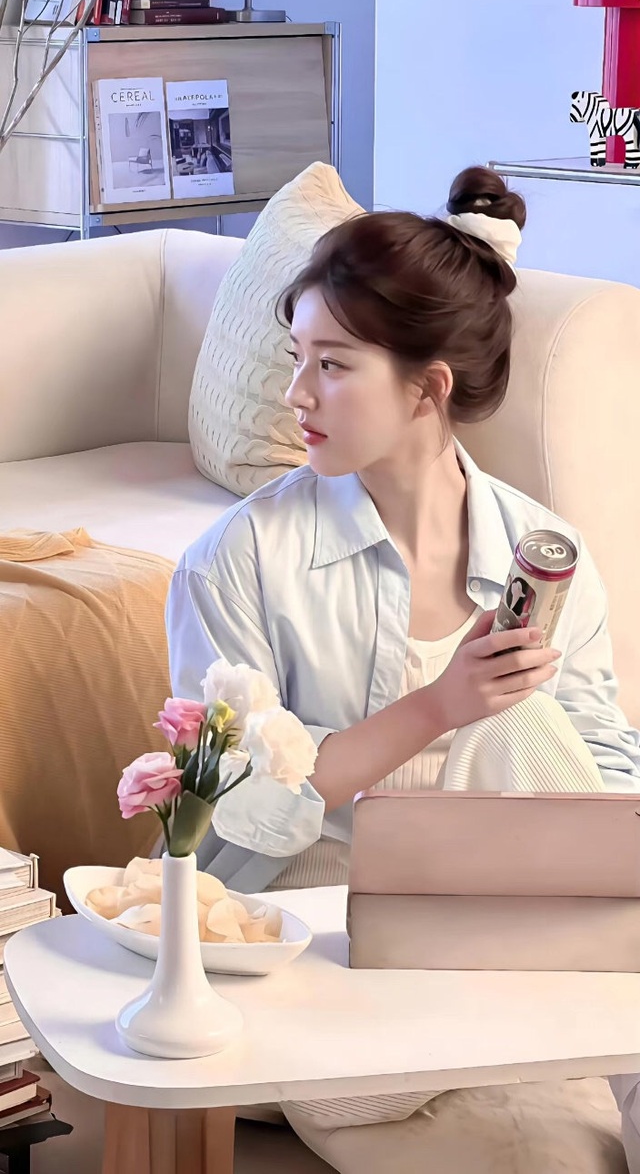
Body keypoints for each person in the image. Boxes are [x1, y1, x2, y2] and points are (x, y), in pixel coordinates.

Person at [166, 166, 640, 1172]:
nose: (296, 395)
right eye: (297, 358)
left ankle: (557, 1027)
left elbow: (601, 771)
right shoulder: (237, 558)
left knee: (530, 720)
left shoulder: (545, 551)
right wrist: (436, 707)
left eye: (331, 365)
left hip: (497, 918)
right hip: (315, 925)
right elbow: (237, 817)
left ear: (429, 388)